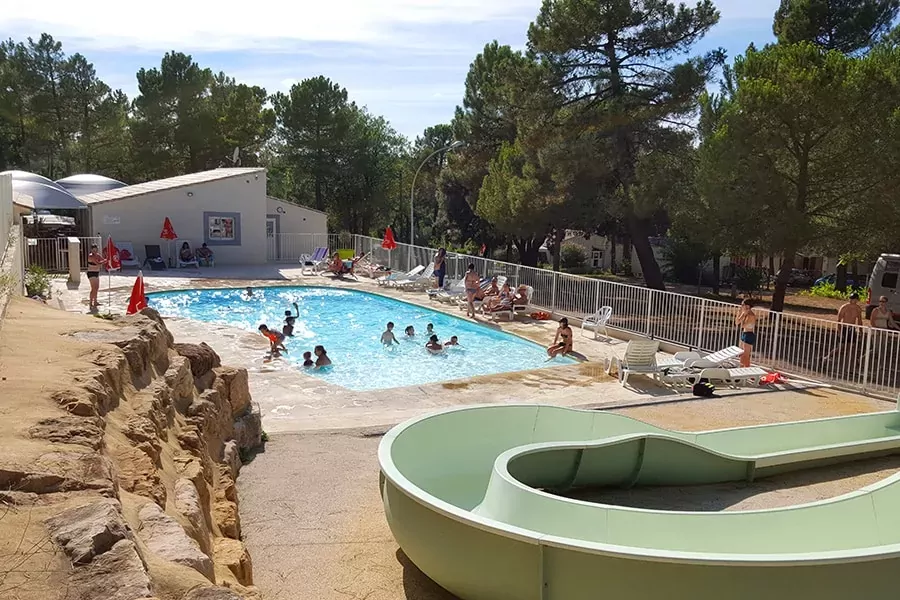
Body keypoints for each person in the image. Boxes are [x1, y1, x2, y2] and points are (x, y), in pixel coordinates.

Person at [824, 293, 863, 361]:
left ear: (856, 300)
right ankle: (827, 357)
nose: (851, 300)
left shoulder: (858, 309)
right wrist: (839, 331)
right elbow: (839, 320)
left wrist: (861, 331)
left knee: (851, 346)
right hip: (844, 328)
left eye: (853, 299)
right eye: (850, 298)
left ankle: (848, 363)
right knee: (841, 346)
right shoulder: (844, 307)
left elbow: (859, 320)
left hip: (852, 328)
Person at [735, 298, 757, 368]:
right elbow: (737, 322)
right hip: (744, 333)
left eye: (742, 305)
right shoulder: (745, 314)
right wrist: (739, 314)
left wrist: (743, 315)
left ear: (747, 306)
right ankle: (740, 369)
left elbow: (743, 325)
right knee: (741, 354)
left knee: (746, 356)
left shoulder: (751, 315)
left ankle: (746, 370)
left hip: (749, 335)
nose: (741, 306)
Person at [86, 243, 103, 309]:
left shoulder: (98, 255)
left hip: (96, 272)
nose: (95, 251)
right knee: (93, 288)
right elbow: (98, 263)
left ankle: (95, 301)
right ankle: (90, 302)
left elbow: (103, 259)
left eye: (96, 250)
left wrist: (106, 260)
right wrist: (104, 261)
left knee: (97, 288)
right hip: (91, 273)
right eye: (94, 250)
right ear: (91, 250)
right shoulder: (90, 256)